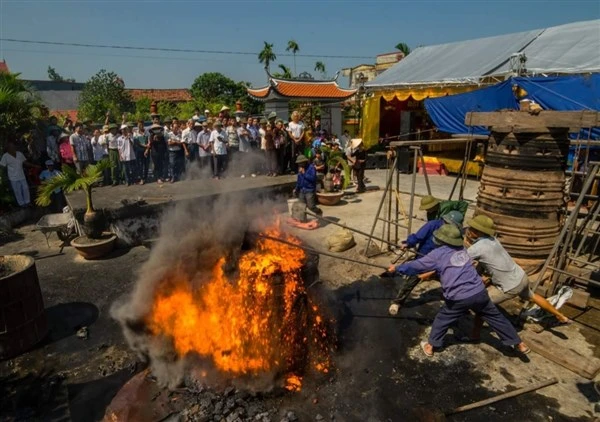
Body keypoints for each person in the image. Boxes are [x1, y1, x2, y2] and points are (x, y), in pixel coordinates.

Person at [388, 224, 530, 357]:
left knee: (443, 318)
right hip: (479, 292)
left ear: (441, 239)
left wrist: (397, 268)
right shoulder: (461, 249)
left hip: (459, 296)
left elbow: (417, 265)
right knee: (496, 317)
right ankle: (519, 343)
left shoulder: (438, 254)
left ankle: (430, 346)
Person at [466, 215, 571, 338]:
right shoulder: (493, 240)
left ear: (478, 231)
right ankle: (561, 316)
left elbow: (459, 262)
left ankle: (474, 335)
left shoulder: (476, 248)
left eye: (471, 228)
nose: (468, 230)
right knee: (533, 296)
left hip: (510, 286)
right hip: (521, 277)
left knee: (482, 305)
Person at [0, 141, 39, 207]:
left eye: (14, 146)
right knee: (17, 191)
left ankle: (27, 202)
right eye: (12, 147)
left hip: (21, 175)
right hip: (13, 177)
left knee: (25, 188)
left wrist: (35, 166)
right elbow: (2, 166)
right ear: (8, 148)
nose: (14, 148)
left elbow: (25, 162)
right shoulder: (5, 156)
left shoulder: (19, 154)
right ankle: (21, 204)